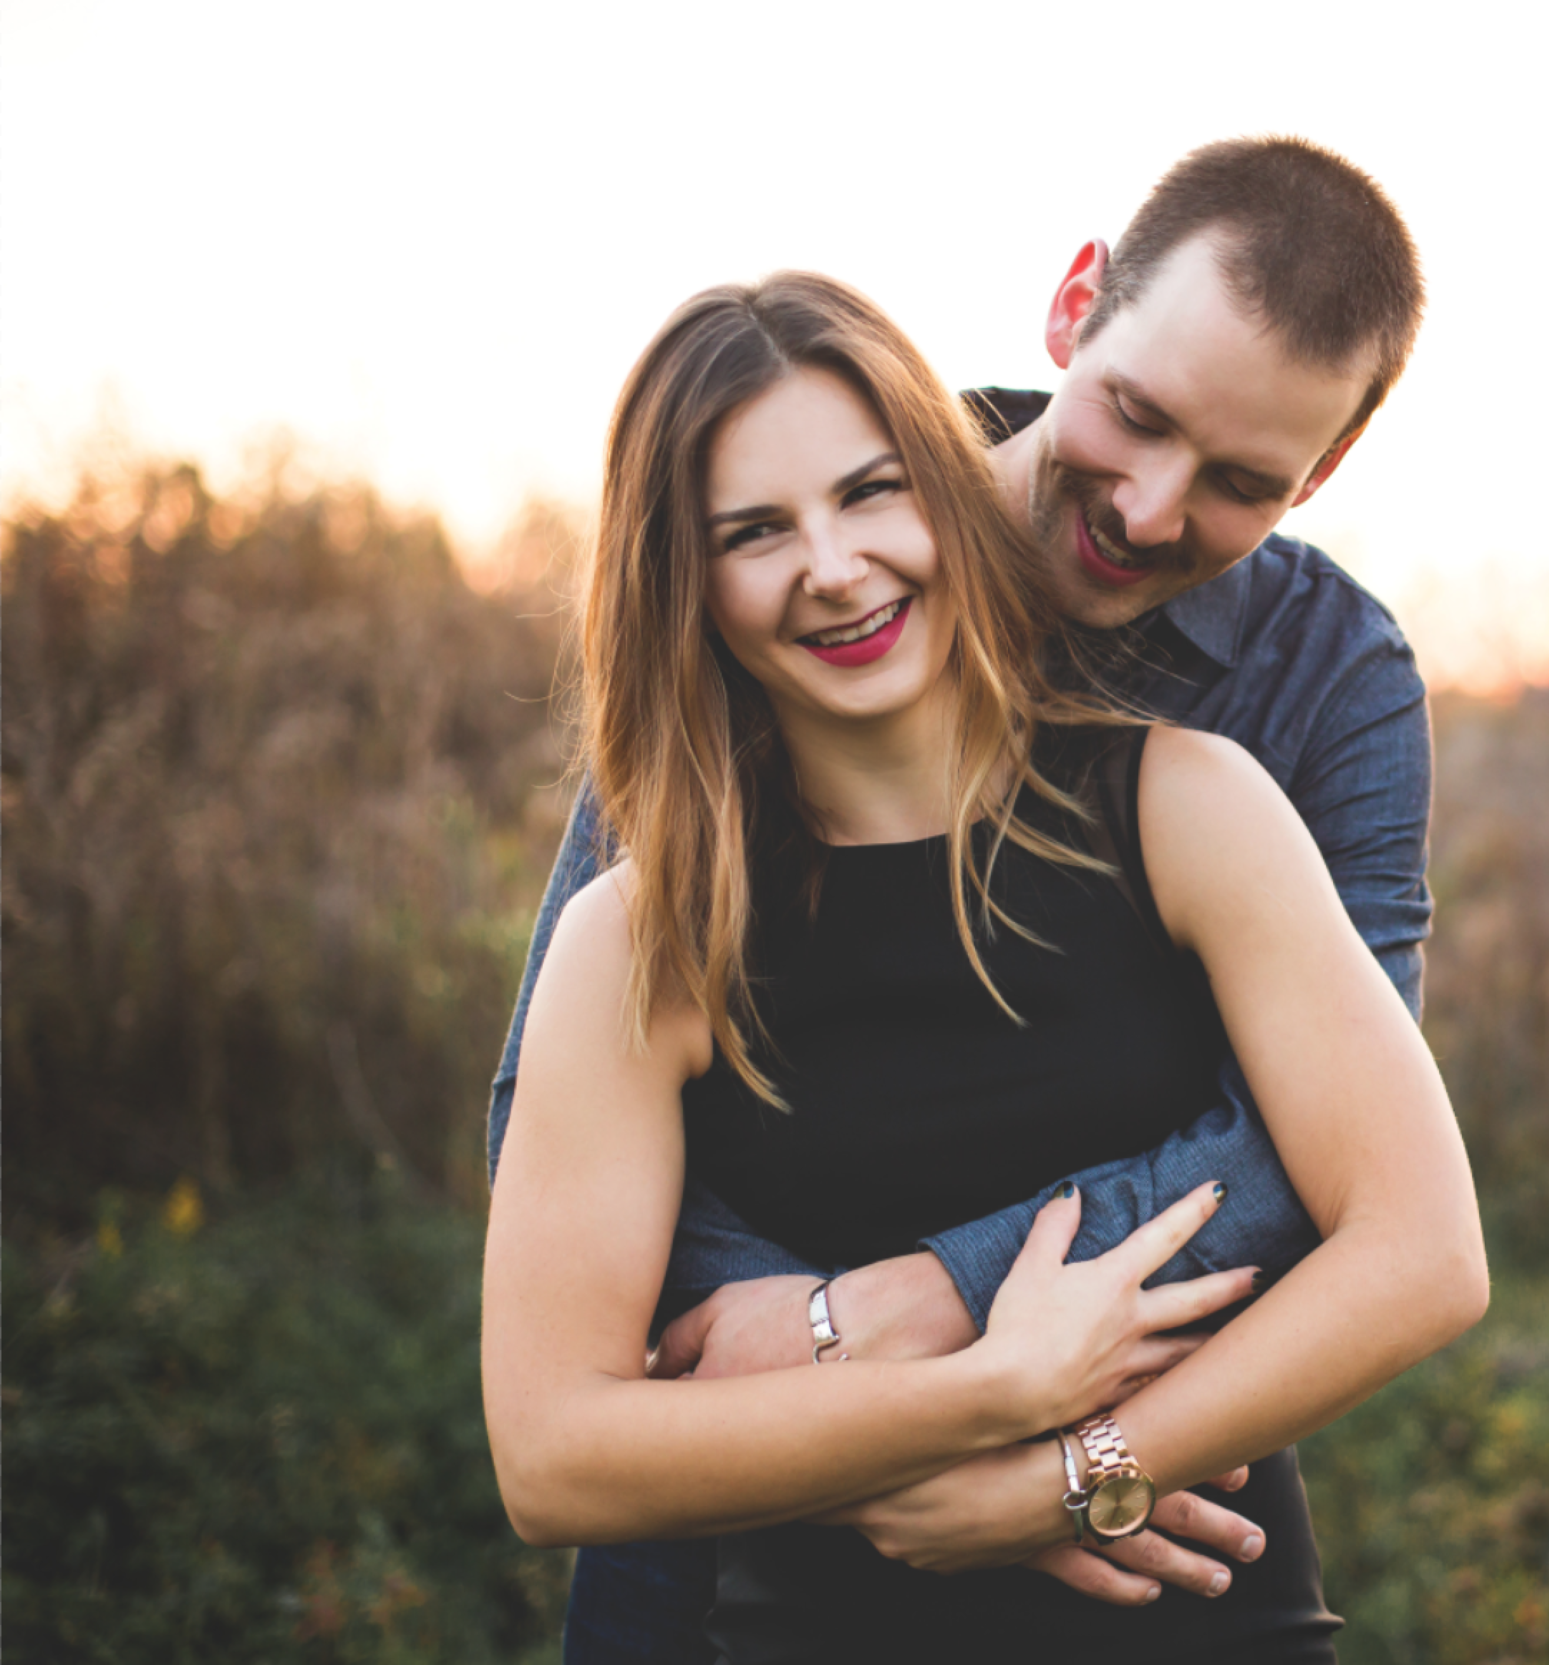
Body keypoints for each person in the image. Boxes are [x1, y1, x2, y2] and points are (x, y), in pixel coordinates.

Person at [488, 138, 1446, 1657]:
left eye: (1241, 481)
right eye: (1135, 416)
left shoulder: (1296, 706)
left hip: (1154, 1529)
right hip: (732, 1547)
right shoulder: (801, 535)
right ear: (1075, 308)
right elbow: (552, 1141)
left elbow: (1321, 1169)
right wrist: (885, 1405)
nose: (1143, 507)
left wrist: (1016, 1423)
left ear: (1318, 474)